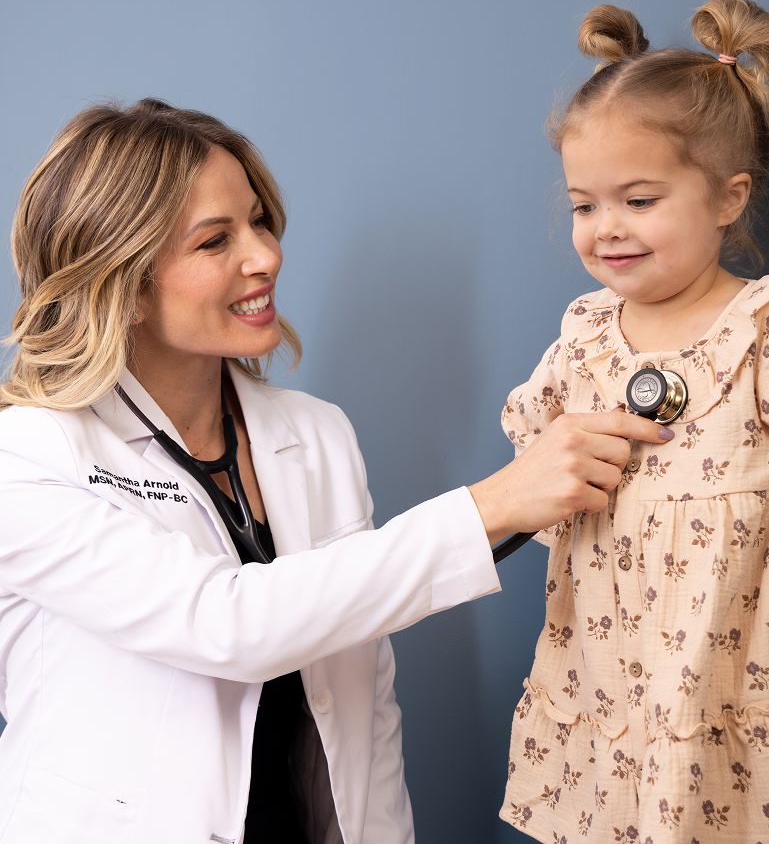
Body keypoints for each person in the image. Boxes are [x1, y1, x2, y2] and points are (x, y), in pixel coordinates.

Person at [0, 99, 673, 844]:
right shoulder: (29, 456)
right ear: (122, 282)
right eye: (215, 240)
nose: (265, 256)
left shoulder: (315, 433)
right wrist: (492, 506)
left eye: (259, 221)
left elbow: (363, 701)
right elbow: (228, 624)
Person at [498, 0, 769, 843]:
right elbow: (534, 446)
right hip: (612, 660)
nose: (606, 229)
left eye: (639, 200)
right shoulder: (584, 338)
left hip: (731, 651)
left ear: (727, 198)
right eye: (584, 206)